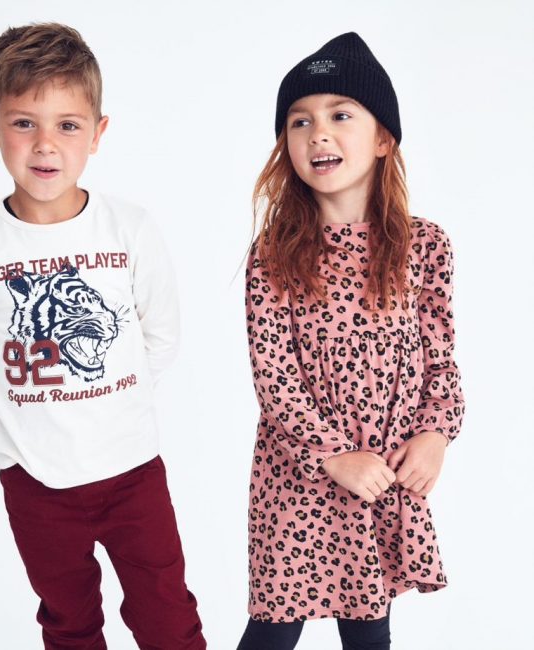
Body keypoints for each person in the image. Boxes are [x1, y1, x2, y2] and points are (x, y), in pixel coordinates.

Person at [0, 22, 206, 650]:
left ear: (98, 133)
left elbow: (161, 335)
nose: (45, 144)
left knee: (168, 615)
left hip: (133, 471)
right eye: (24, 122)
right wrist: (12, 448)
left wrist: (114, 405)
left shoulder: (129, 229)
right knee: (69, 621)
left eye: (68, 124)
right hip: (36, 483)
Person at [236, 32, 465, 650]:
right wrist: (333, 455)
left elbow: (441, 361)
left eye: (340, 115)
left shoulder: (425, 247)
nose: (318, 134)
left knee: (368, 631)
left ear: (383, 138)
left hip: (381, 476)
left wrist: (436, 433)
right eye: (300, 121)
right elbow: (274, 378)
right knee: (272, 631)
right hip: (298, 479)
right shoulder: (274, 256)